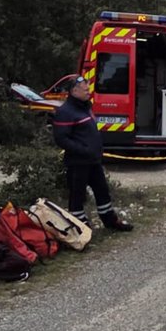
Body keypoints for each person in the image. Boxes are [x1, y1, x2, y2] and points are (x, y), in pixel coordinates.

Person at [51, 75, 134, 232]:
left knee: (102, 191)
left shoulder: (85, 107)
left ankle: (110, 221)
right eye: (85, 89)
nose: (88, 92)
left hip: (93, 161)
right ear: (74, 91)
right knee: (77, 196)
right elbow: (61, 139)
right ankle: (80, 228)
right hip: (78, 162)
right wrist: (83, 150)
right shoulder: (65, 112)